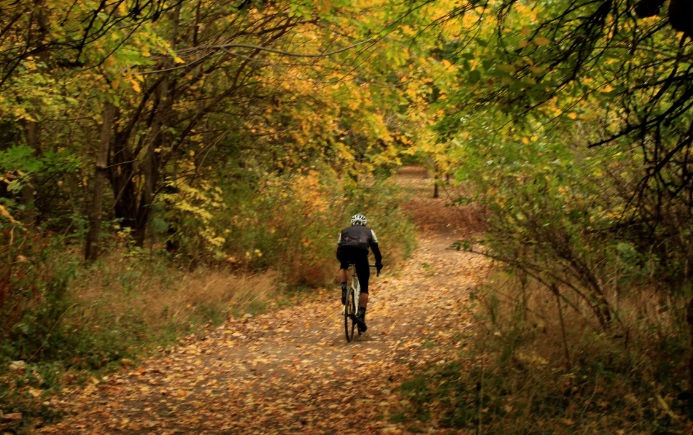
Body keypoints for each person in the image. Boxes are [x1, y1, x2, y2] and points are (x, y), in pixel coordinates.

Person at [337, 213, 383, 333]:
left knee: (343, 265)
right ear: (364, 223)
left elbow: (339, 247)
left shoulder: (344, 231)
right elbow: (376, 250)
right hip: (361, 254)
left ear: (352, 223)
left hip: (344, 252)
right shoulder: (369, 231)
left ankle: (343, 289)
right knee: (364, 287)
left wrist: (344, 261)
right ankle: (361, 316)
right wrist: (378, 263)